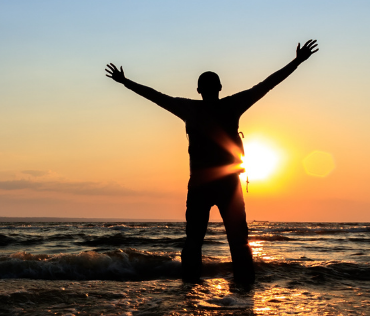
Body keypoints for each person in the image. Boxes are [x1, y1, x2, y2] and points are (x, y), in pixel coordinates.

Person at [105, 40, 319, 285]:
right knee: (237, 241)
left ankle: (191, 291)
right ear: (219, 87)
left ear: (199, 90)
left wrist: (125, 82)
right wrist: (297, 61)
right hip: (227, 184)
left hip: (202, 184)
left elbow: (155, 96)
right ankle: (243, 293)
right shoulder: (231, 105)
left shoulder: (189, 108)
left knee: (195, 241)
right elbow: (267, 85)